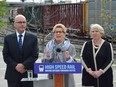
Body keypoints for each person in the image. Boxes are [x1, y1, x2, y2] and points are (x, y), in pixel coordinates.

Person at [2, 14, 39, 87]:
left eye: (24, 22)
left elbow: (35, 55)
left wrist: (24, 65)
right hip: (13, 75)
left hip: (29, 74)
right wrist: (16, 66)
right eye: (19, 22)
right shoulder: (8, 38)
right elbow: (6, 56)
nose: (22, 24)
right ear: (14, 24)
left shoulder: (33, 38)